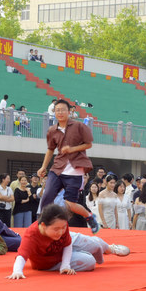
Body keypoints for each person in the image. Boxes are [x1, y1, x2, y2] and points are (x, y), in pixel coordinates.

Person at [7, 205, 128, 279]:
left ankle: (109, 249)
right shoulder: (31, 235)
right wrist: (17, 271)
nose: (60, 232)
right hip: (52, 261)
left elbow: (67, 243)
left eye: (63, 227)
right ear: (43, 225)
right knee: (90, 262)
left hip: (66, 244)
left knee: (94, 244)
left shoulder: (61, 227)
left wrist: (66, 264)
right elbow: (21, 256)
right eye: (56, 229)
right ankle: (88, 252)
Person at [36, 99, 100, 232]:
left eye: (63, 110)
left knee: (70, 204)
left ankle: (89, 217)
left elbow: (88, 144)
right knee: (47, 195)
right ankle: (41, 226)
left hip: (75, 170)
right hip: (58, 168)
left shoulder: (79, 126)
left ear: (69, 111)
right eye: (57, 110)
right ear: (54, 112)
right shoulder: (52, 130)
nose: (60, 113)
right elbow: (50, 150)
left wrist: (71, 149)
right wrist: (43, 167)